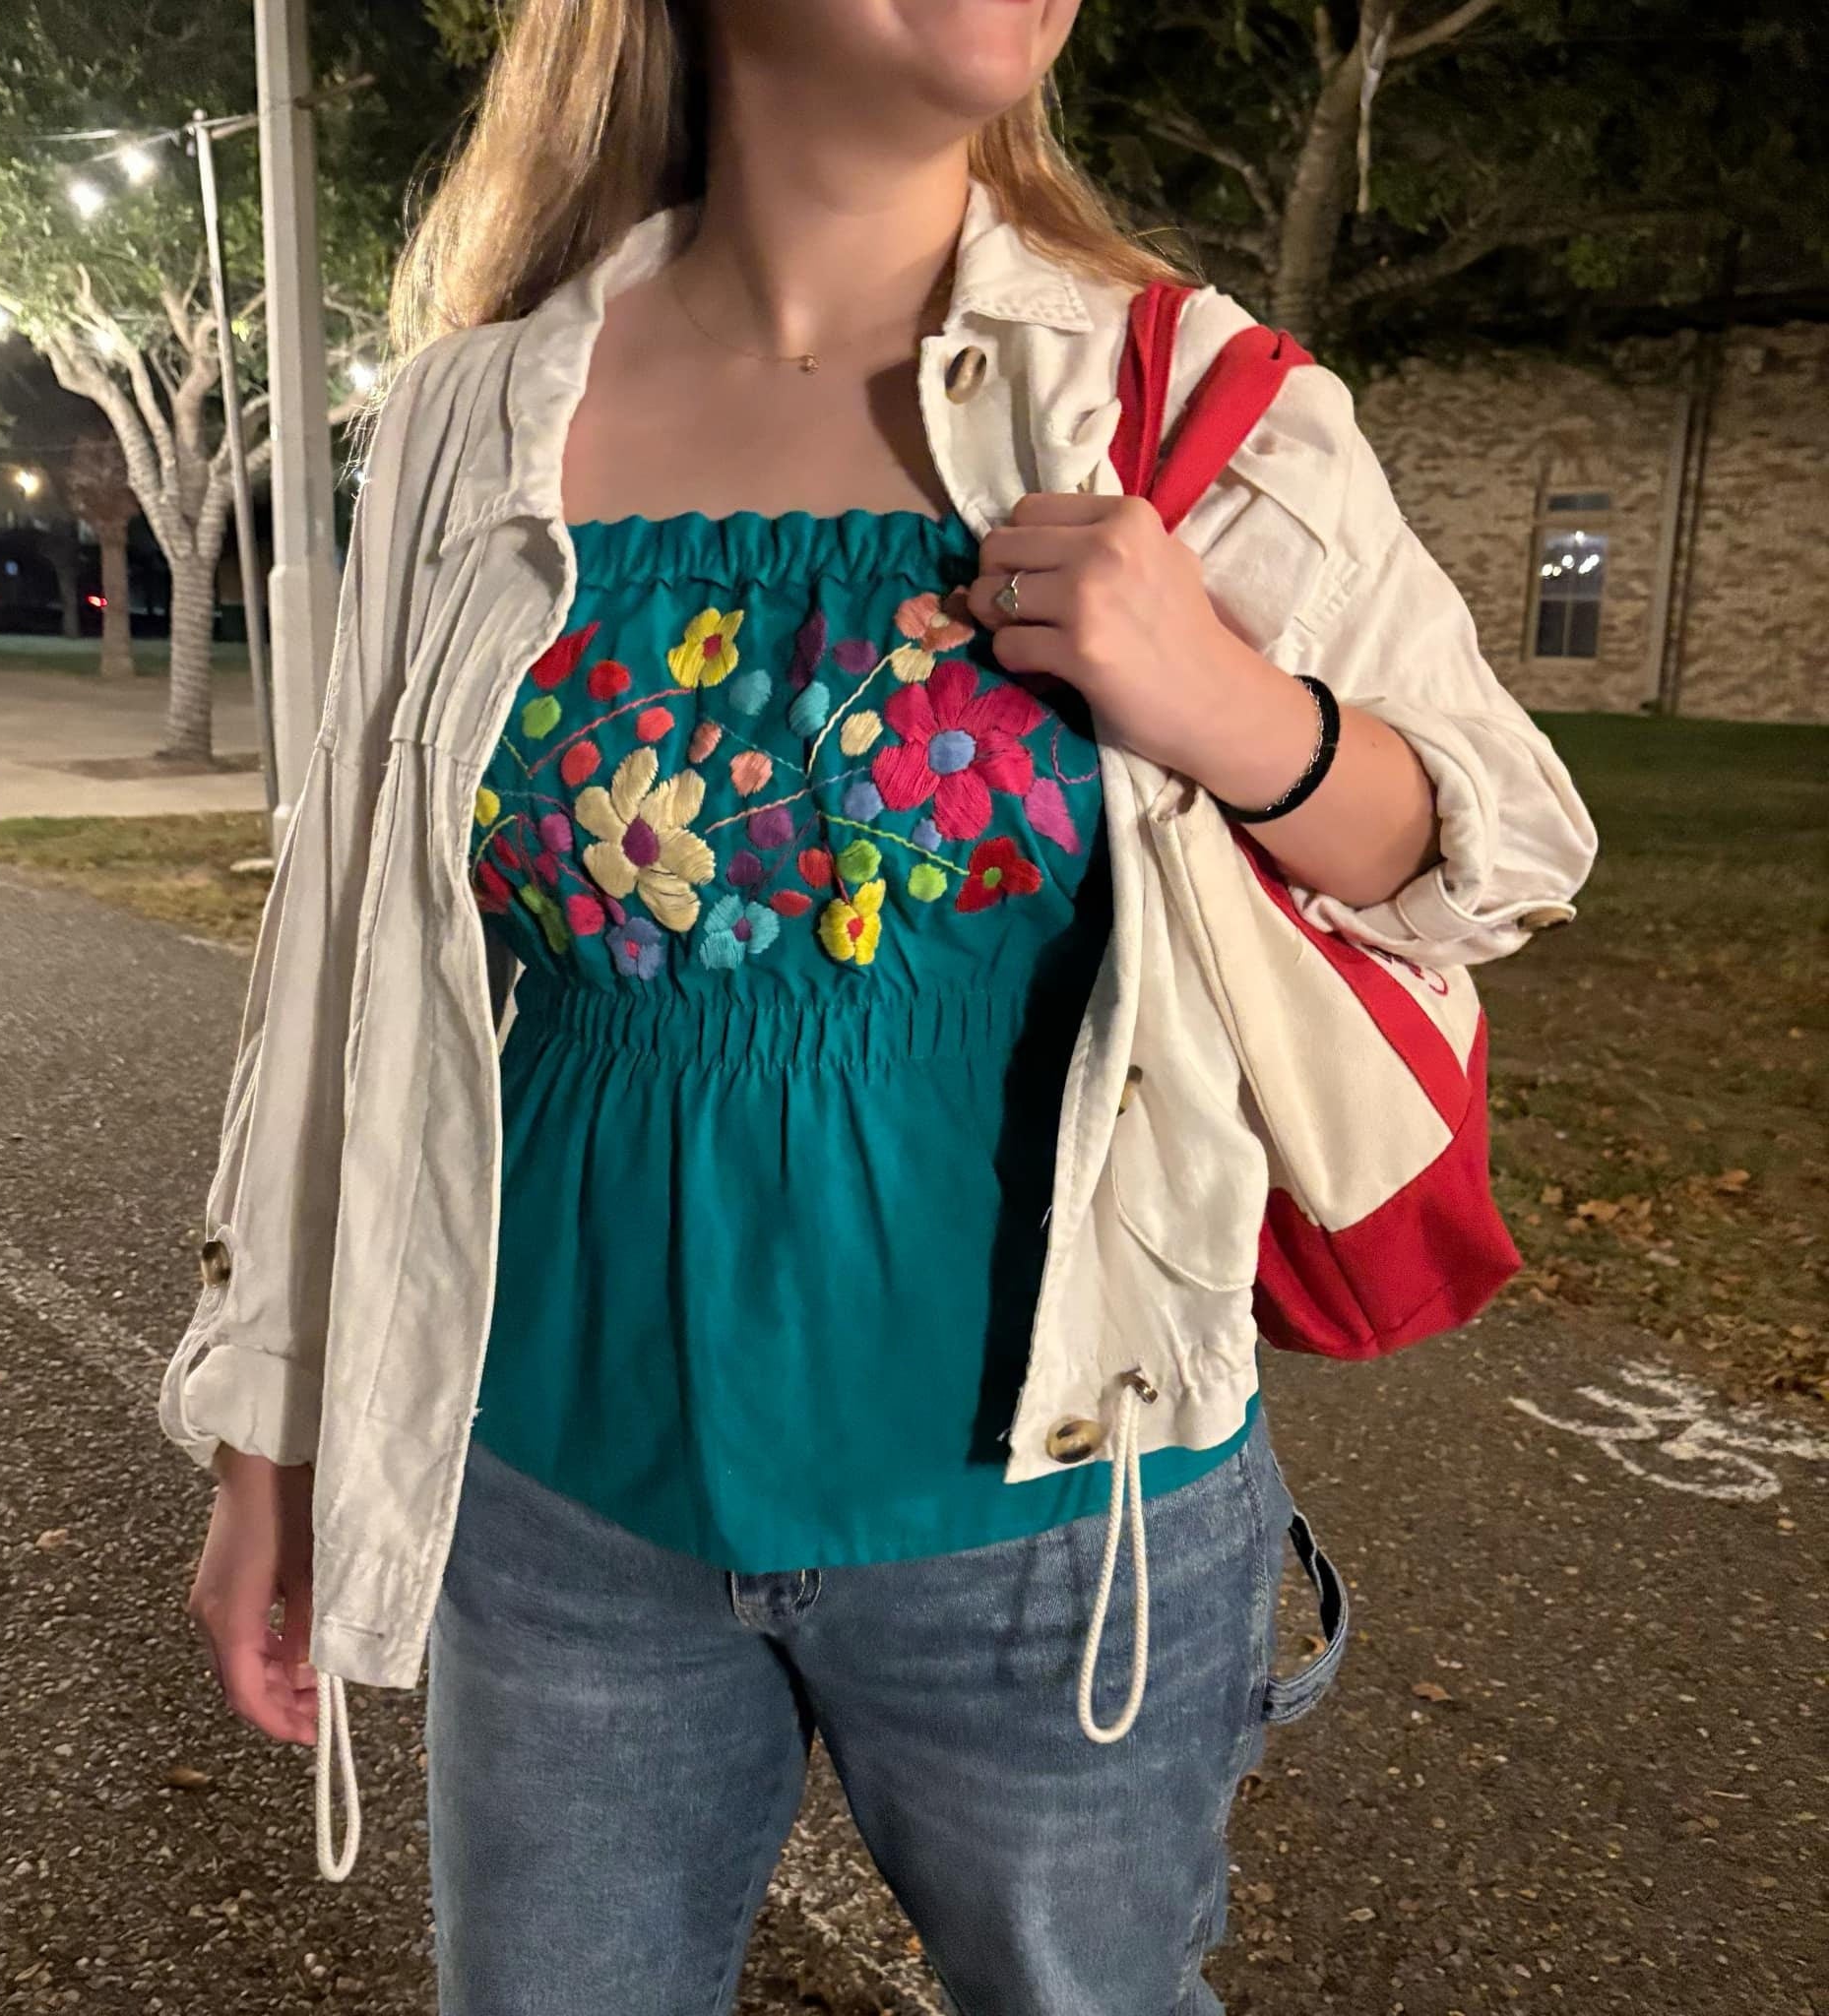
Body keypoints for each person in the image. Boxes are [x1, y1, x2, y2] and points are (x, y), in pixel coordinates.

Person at [163, 2, 1600, 2010]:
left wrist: (1230, 708)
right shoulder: (472, 416)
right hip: (560, 1506)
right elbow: (342, 962)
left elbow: (1500, 847)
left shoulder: (1180, 397)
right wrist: (268, 1443)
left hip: (1060, 1514)